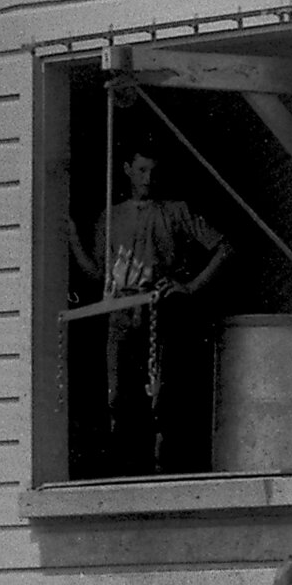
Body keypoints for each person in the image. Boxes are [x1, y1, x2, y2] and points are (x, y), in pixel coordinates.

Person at [69, 148, 232, 473]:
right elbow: (97, 273)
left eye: (153, 171)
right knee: (118, 397)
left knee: (162, 398)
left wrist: (190, 287)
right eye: (141, 170)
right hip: (121, 314)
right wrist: (73, 238)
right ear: (128, 169)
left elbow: (224, 247)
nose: (148, 178)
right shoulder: (110, 216)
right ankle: (123, 471)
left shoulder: (176, 211)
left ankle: (161, 470)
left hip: (161, 310)